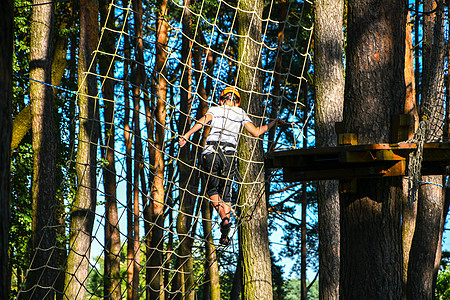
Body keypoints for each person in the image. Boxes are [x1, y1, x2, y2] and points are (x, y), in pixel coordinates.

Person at [178, 86, 284, 245]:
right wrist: (273, 123)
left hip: (210, 152)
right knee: (225, 194)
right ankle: (225, 226)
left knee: (212, 190)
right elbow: (255, 132)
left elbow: (202, 121)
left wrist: (187, 135)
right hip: (228, 156)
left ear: (221, 100)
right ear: (236, 102)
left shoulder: (216, 109)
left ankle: (225, 221)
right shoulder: (240, 112)